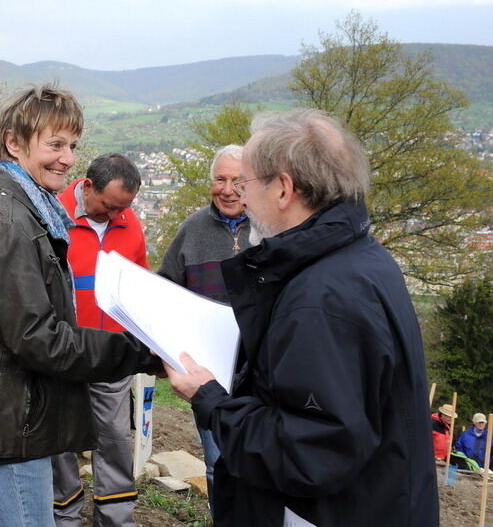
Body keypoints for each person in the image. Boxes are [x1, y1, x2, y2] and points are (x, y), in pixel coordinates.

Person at [163, 109, 438, 526]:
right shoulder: (359, 256)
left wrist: (210, 398)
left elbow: (308, 453)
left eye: (248, 182)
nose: (241, 194)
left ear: (283, 189)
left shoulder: (320, 299)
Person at [0, 84, 161, 527]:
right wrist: (142, 353)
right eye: (55, 144)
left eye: (71, 145)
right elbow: (39, 338)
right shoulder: (6, 221)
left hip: (14, 415)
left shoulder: (26, 209)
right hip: (6, 421)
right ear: (14, 142)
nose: (68, 158)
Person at [52, 153, 147, 527]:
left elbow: (137, 283)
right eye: (109, 206)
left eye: (123, 209)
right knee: (60, 443)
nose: (115, 215)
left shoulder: (128, 220)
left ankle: (116, 519)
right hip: (63, 353)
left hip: (111, 354)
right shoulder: (53, 216)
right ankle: (65, 517)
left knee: (114, 440)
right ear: (87, 186)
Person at [157, 144, 250, 513]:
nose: (227, 189)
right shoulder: (192, 229)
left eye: (238, 180)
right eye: (220, 179)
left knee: (260, 463)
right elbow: (165, 289)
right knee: (217, 464)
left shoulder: (270, 227)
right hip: (208, 373)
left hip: (260, 371)